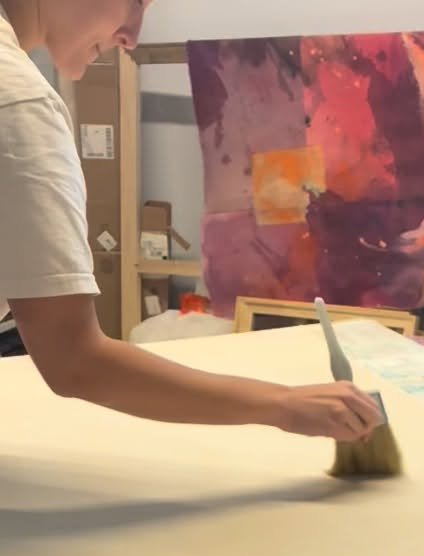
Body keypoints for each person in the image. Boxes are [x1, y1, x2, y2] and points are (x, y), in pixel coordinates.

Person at [0, 0, 382, 442]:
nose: (132, 37)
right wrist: (283, 405)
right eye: (136, 2)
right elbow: (73, 361)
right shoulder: (18, 104)